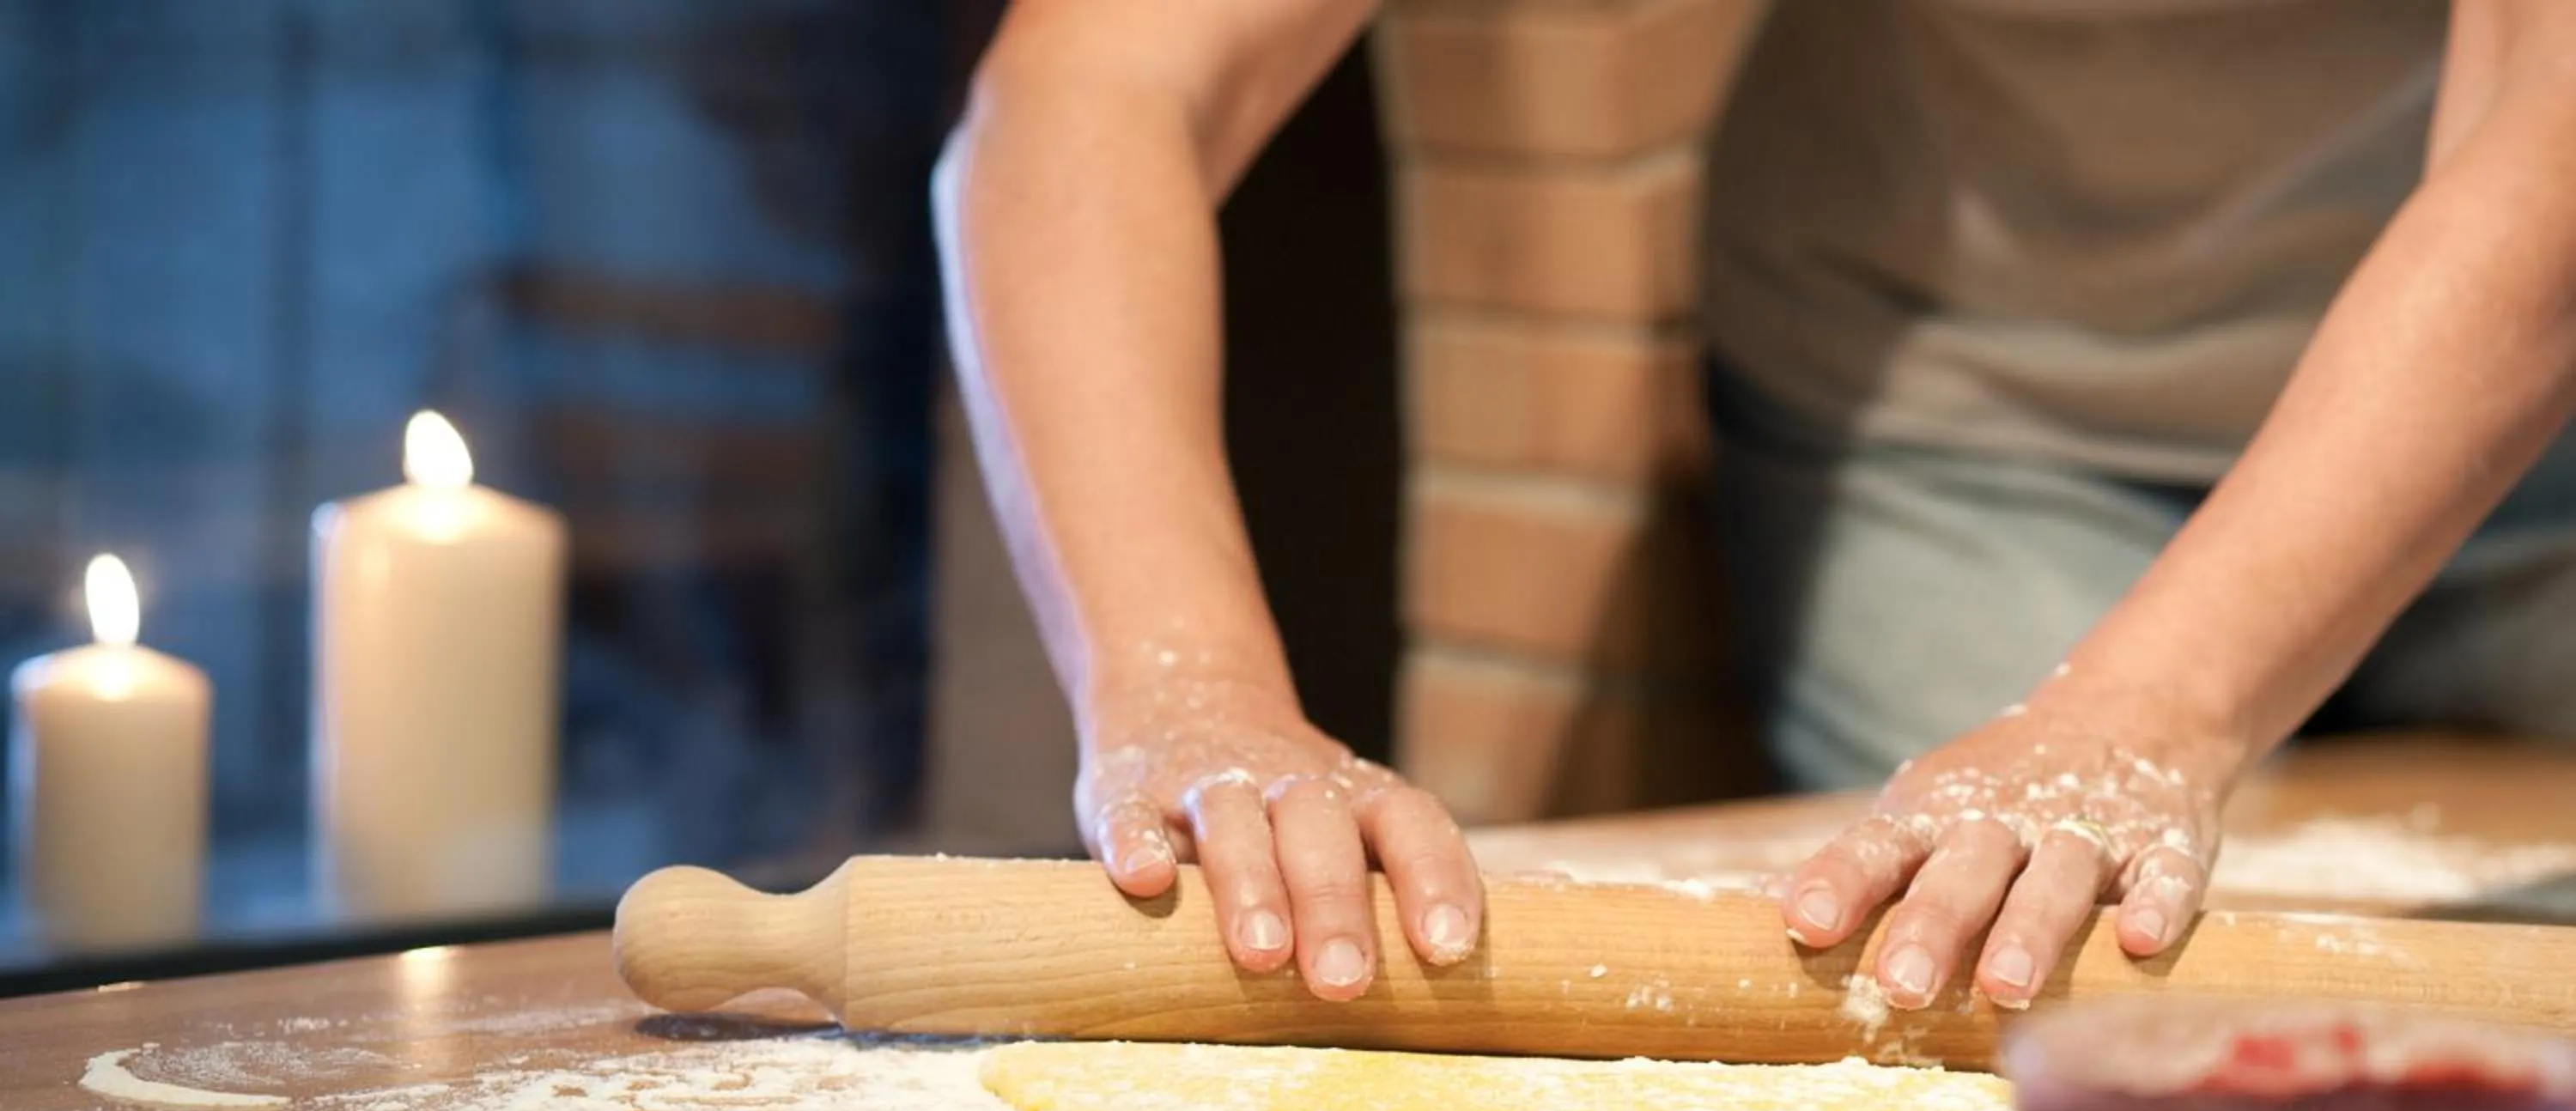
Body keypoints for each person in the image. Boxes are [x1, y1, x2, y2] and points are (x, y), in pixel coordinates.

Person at [933, 0, 2576, 1013]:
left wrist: (2148, 711)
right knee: (2029, 1022)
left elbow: (2544, 143)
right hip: (1970, 417)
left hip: (2533, 391)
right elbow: (1097, 84)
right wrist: (1184, 689)